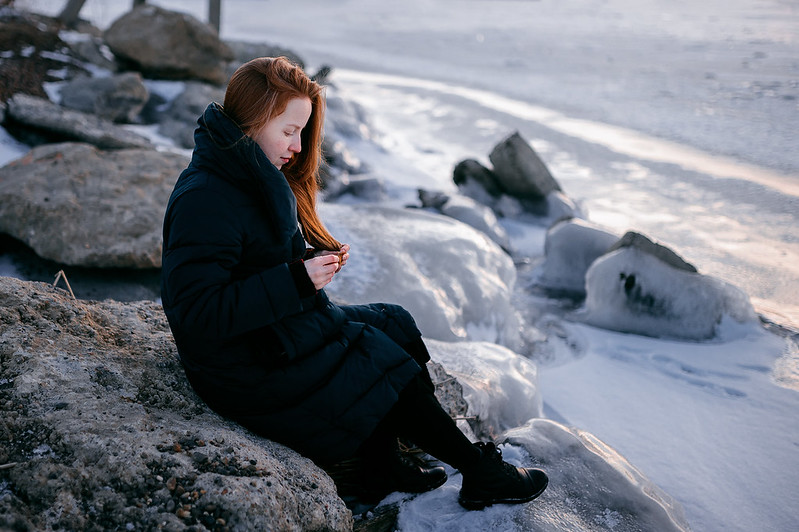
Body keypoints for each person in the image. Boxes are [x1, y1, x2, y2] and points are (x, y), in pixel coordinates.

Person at [160, 56, 548, 510]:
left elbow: (250, 262)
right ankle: (480, 472)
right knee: (375, 355)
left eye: (302, 132)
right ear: (252, 120)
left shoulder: (246, 171)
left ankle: (382, 465)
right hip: (241, 366)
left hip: (269, 334)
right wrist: (295, 280)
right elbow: (196, 313)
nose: (298, 147)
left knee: (393, 322)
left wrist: (305, 263)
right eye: (289, 131)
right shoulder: (206, 196)